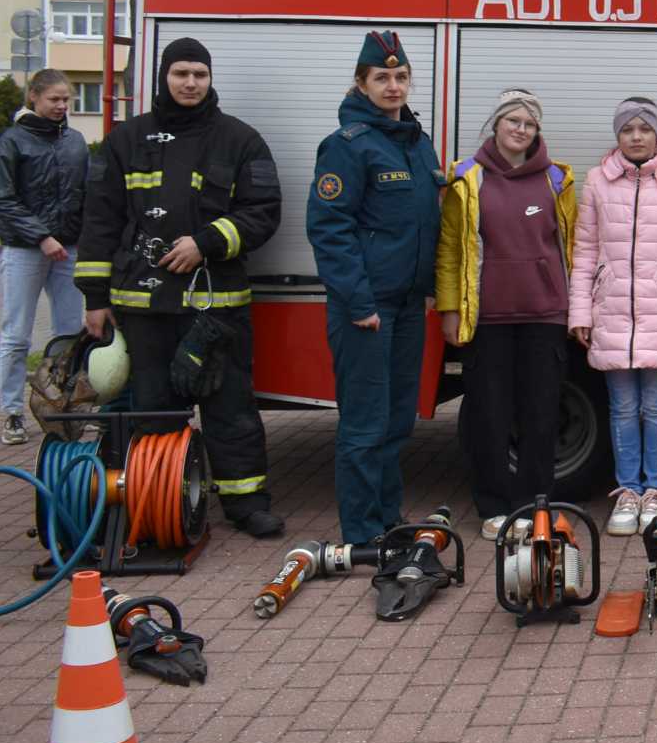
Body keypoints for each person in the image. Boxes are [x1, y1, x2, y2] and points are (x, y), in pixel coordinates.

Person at [81, 38, 284, 536]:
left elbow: (263, 213)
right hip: (142, 305)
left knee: (231, 406)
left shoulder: (241, 140)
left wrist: (207, 243)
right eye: (181, 74)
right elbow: (99, 220)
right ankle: (164, 499)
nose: (190, 83)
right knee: (153, 409)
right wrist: (94, 298)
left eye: (199, 74)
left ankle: (245, 504)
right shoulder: (124, 140)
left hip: (215, 304)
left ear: (210, 79)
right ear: (163, 78)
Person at [306, 32, 444, 544]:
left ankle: (388, 518)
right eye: (382, 77)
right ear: (361, 84)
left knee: (396, 420)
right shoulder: (347, 148)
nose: (393, 86)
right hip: (365, 310)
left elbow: (425, 222)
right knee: (364, 425)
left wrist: (428, 288)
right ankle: (363, 535)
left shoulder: (416, 142)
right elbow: (329, 229)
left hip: (408, 306)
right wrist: (359, 302)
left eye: (401, 77)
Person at [436, 89, 576, 539]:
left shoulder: (557, 180)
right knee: (489, 416)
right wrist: (450, 308)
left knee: (541, 416)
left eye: (529, 123)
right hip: (487, 318)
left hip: (545, 315)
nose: (521, 129)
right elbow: (450, 251)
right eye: (513, 121)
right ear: (495, 125)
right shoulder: (466, 178)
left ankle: (534, 506)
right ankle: (493, 507)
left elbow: (573, 247)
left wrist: (577, 308)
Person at [569, 98, 657, 537]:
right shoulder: (597, 181)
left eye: (644, 128)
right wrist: (580, 310)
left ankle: (656, 492)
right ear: (617, 135)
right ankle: (627, 491)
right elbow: (585, 250)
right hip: (610, 311)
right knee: (623, 408)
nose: (636, 136)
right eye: (627, 129)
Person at [0, 70, 88, 444]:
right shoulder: (12, 141)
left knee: (69, 334)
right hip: (24, 250)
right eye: (54, 99)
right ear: (33, 97)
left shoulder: (76, 142)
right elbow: (4, 199)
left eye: (66, 99)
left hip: (70, 250)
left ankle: (62, 410)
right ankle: (12, 412)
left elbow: (86, 193)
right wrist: (42, 237)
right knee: (17, 336)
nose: (62, 106)